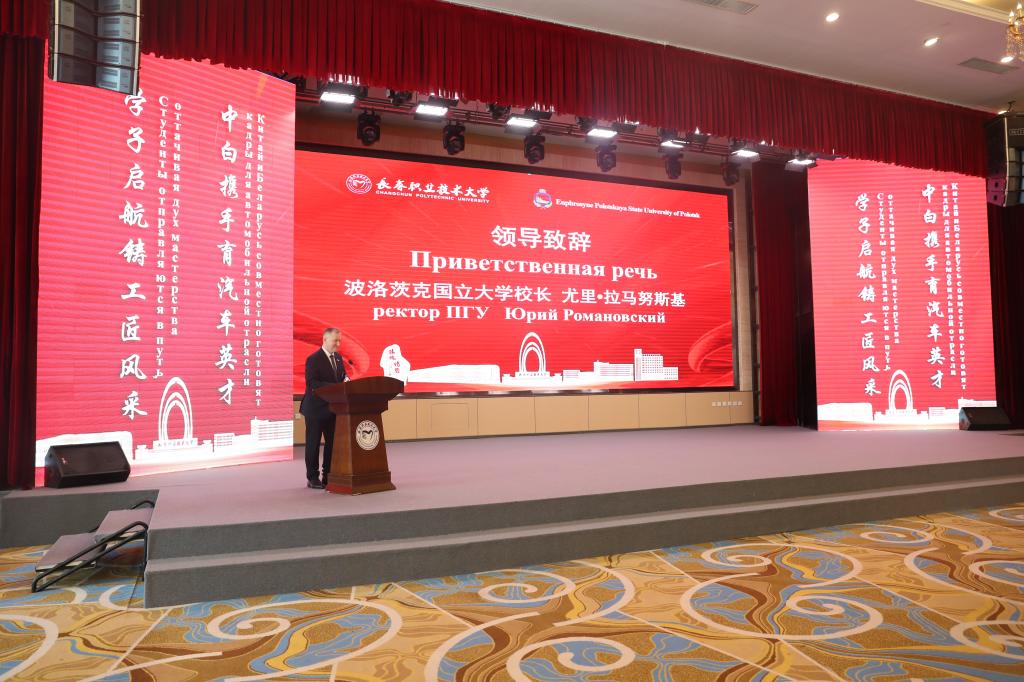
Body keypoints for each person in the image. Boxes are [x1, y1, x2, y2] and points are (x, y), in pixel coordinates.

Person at [300, 327, 346, 489]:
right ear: (325, 340)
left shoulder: (338, 358)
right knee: (313, 445)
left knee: (332, 444)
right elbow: (312, 382)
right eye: (335, 341)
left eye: (339, 341)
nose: (338, 344)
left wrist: (346, 382)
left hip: (333, 409)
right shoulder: (314, 359)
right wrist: (335, 387)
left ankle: (328, 475)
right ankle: (312, 477)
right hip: (315, 409)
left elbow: (341, 377)